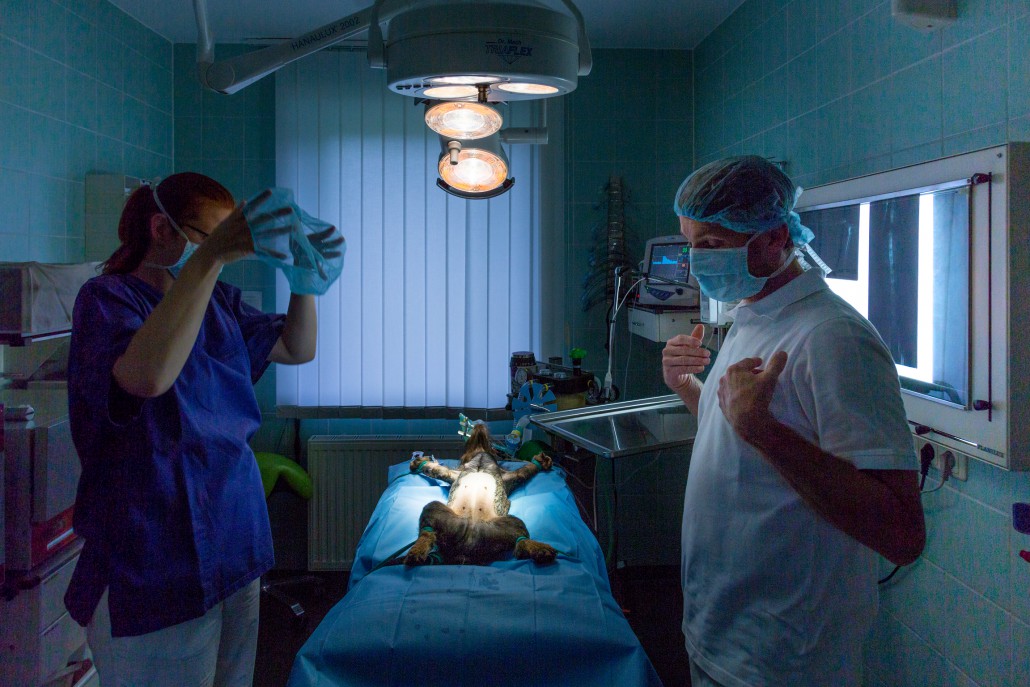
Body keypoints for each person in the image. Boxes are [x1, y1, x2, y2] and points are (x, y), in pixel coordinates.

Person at [661, 156, 926, 687]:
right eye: (690, 243)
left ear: (775, 237)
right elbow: (738, 435)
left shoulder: (833, 337)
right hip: (718, 630)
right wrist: (689, 388)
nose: (695, 261)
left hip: (784, 659)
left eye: (711, 243)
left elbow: (902, 534)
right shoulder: (751, 314)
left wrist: (766, 432)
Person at [64, 172, 326, 687]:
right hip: (153, 558)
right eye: (211, 238)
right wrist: (209, 259)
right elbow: (149, 376)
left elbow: (298, 347)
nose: (221, 252)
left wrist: (303, 278)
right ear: (161, 228)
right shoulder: (106, 300)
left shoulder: (219, 302)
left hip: (234, 540)